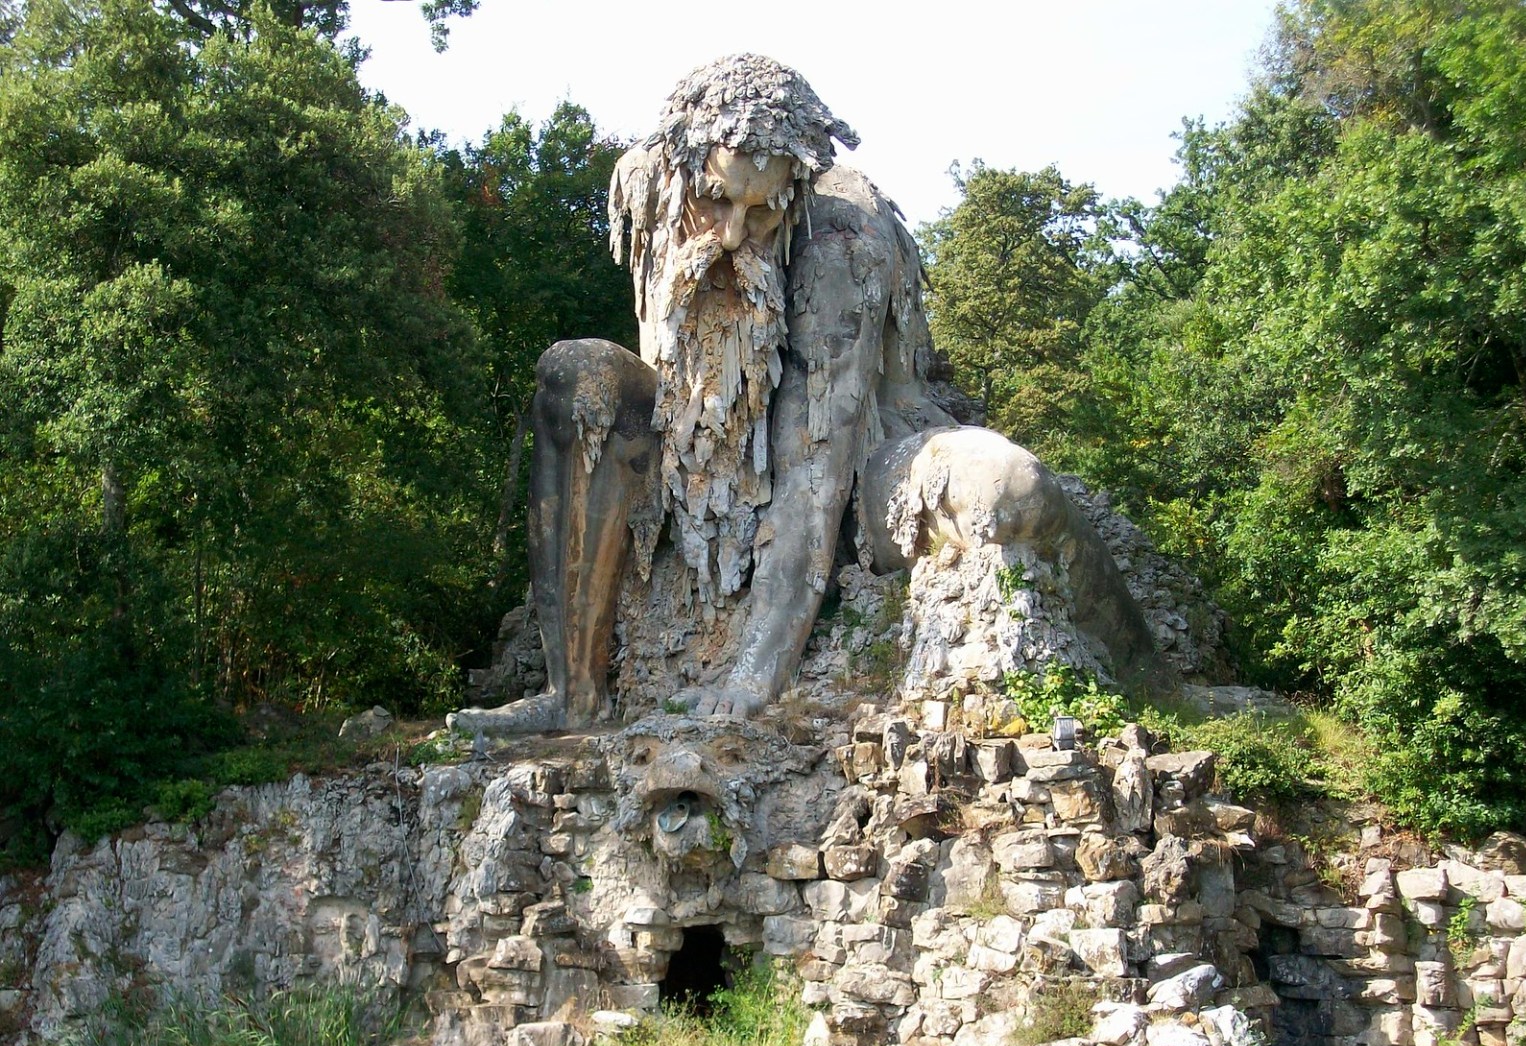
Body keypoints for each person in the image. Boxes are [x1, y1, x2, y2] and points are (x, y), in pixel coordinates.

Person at [448, 54, 1153, 735]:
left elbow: (816, 464)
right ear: (680, 174)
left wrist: (758, 673)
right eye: (718, 201)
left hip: (865, 464)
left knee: (1005, 486)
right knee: (578, 374)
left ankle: (1155, 679)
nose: (731, 236)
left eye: (760, 215)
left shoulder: (840, 240)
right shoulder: (647, 184)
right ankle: (573, 694)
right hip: (695, 458)